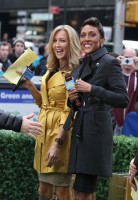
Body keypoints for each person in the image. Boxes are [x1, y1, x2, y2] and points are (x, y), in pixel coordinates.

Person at [65, 17, 128, 200]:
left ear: (101, 39)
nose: (86, 39)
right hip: (81, 129)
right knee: (84, 188)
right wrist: (73, 99)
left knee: (83, 189)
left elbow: (122, 99)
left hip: (96, 131)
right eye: (83, 35)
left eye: (92, 35)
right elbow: (78, 105)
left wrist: (92, 88)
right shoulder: (82, 64)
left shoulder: (110, 62)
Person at [19, 25, 81, 200]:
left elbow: (70, 111)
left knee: (62, 191)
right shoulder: (50, 69)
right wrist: (30, 86)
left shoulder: (73, 74)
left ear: (71, 44)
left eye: (62, 40)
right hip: (44, 133)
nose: (57, 45)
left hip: (61, 135)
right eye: (55, 40)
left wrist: (57, 144)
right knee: (43, 190)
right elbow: (43, 104)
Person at [113, 48, 138, 135]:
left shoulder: (136, 76)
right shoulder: (115, 74)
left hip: (133, 124)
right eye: (126, 57)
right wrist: (113, 65)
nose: (128, 60)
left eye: (131, 58)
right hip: (115, 123)